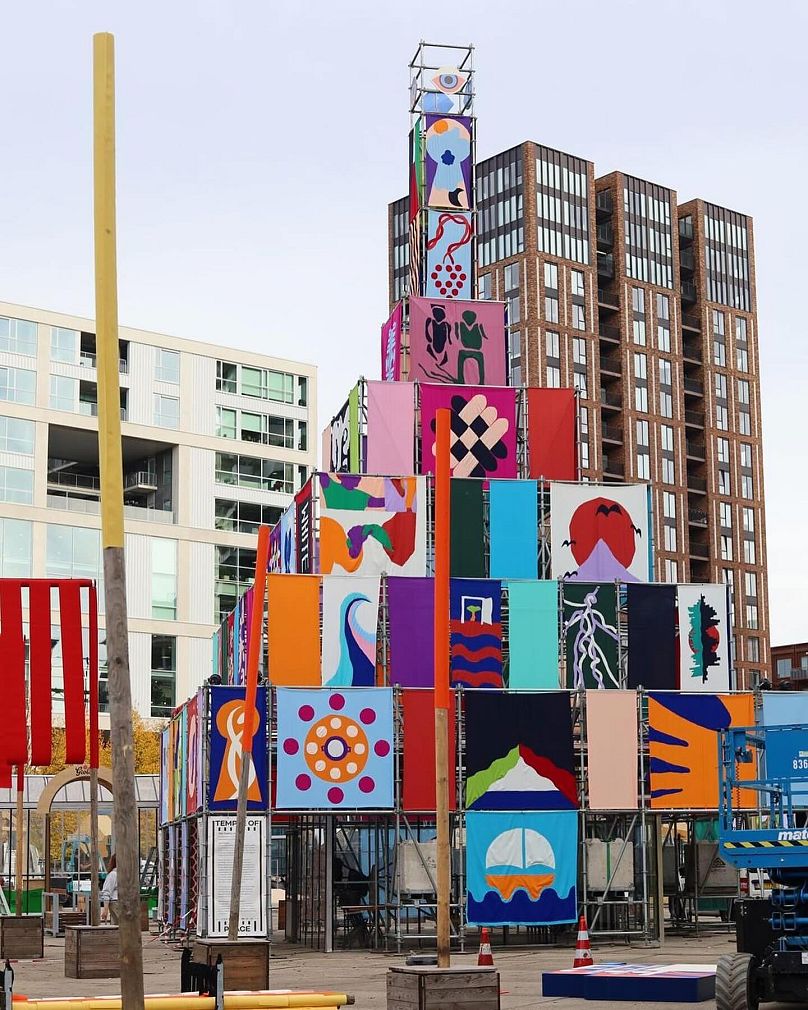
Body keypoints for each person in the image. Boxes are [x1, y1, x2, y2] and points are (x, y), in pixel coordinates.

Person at [100, 853, 118, 924]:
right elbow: (106, 892)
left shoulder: (124, 875)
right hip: (116, 903)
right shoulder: (113, 875)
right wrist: (105, 909)